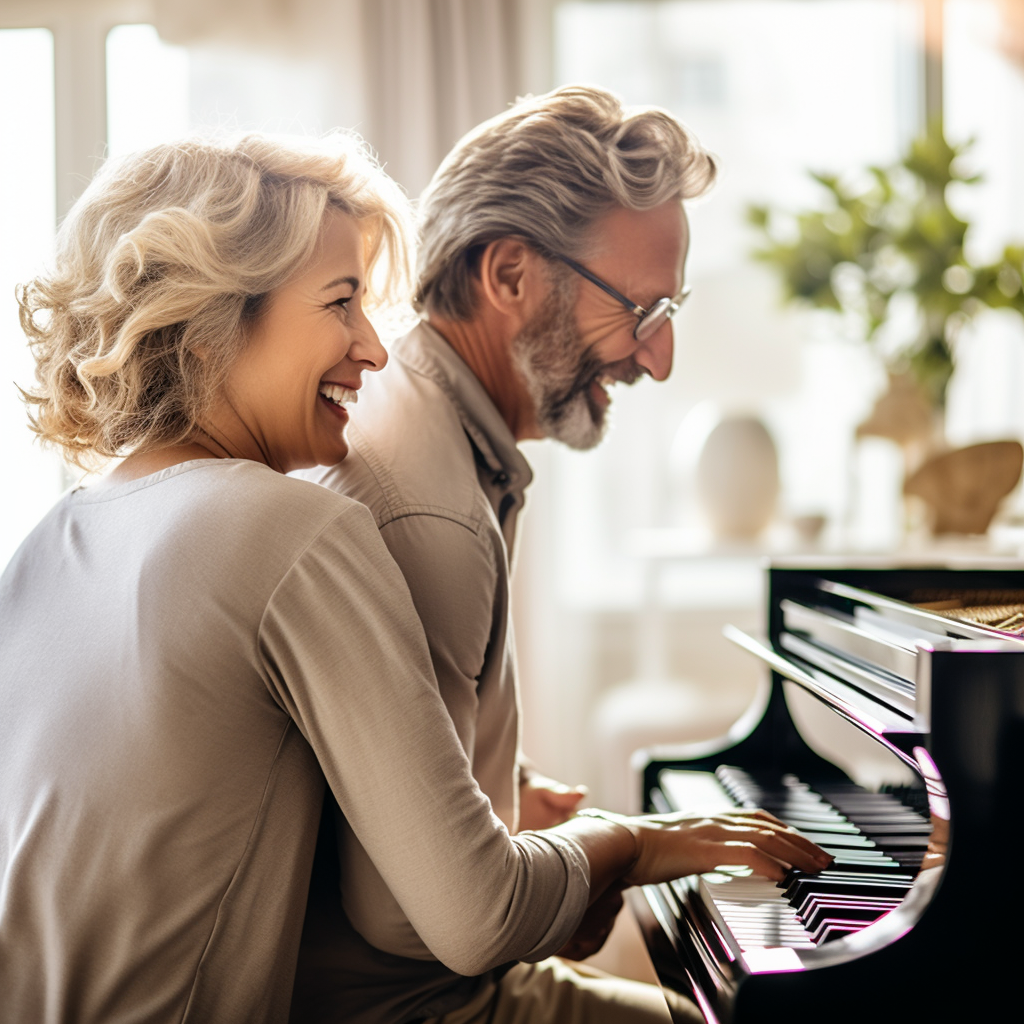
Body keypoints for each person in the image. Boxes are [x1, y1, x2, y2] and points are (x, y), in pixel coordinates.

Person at [0, 130, 829, 1024]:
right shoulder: (288, 528)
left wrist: (492, 795)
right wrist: (630, 842)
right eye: (341, 303)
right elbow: (473, 919)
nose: (375, 347)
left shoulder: (47, 543)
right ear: (207, 328)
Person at [298, 87, 771, 1022]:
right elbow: (413, 921)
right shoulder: (424, 510)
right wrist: (616, 848)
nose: (659, 357)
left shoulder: (429, 431)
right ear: (508, 274)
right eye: (640, 307)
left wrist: (498, 799)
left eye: (669, 307)